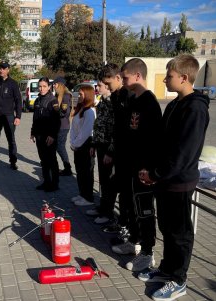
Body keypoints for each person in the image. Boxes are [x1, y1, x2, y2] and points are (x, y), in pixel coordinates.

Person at [138, 54, 210, 301]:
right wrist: (151, 172)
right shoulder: (174, 104)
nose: (165, 80)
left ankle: (179, 280)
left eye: (169, 76)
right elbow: (162, 144)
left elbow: (183, 153)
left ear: (184, 77)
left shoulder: (195, 108)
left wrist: (157, 174)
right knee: (166, 228)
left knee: (180, 233)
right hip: (164, 180)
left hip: (179, 181)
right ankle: (167, 270)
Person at [109, 58, 162, 273]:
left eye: (126, 78)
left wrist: (149, 169)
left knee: (144, 211)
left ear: (138, 76)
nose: (123, 82)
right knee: (130, 207)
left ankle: (147, 254)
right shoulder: (134, 101)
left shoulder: (150, 103)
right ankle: (132, 241)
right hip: (130, 166)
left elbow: (155, 141)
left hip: (144, 170)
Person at [99, 63, 134, 241]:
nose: (107, 87)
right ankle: (121, 223)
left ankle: (127, 227)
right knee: (117, 189)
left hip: (127, 155)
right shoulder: (116, 96)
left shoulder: (129, 97)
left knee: (126, 195)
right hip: (118, 152)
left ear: (118, 78)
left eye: (108, 83)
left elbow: (125, 129)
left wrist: (111, 151)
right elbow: (116, 128)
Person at [86, 79, 117, 225]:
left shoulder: (112, 103)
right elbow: (98, 125)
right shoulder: (102, 101)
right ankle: (102, 207)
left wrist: (110, 152)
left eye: (99, 85)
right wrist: (93, 144)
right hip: (100, 145)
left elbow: (114, 129)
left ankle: (108, 212)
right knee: (103, 180)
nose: (97, 88)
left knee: (109, 182)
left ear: (107, 86)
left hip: (108, 147)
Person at [30, 77, 61, 192]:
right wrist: (32, 132)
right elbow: (35, 118)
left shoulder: (53, 100)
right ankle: (46, 182)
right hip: (39, 135)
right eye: (40, 86)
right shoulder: (38, 100)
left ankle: (55, 184)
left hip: (49, 136)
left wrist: (52, 135)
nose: (41, 88)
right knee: (43, 160)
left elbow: (57, 120)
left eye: (44, 86)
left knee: (52, 160)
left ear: (49, 87)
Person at [70, 85, 96, 206]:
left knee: (86, 172)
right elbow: (74, 128)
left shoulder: (90, 111)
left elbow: (86, 131)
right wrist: (72, 142)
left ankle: (88, 197)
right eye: (78, 94)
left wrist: (75, 144)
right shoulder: (80, 109)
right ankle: (82, 194)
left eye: (81, 94)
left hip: (85, 144)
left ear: (88, 95)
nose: (79, 96)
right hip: (77, 145)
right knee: (80, 170)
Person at [52, 77, 73, 176]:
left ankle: (67, 168)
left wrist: (55, 111)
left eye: (55, 84)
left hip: (63, 126)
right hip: (58, 125)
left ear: (60, 85)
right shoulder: (59, 95)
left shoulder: (65, 96)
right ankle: (66, 167)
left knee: (60, 147)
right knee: (58, 146)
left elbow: (65, 112)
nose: (54, 86)